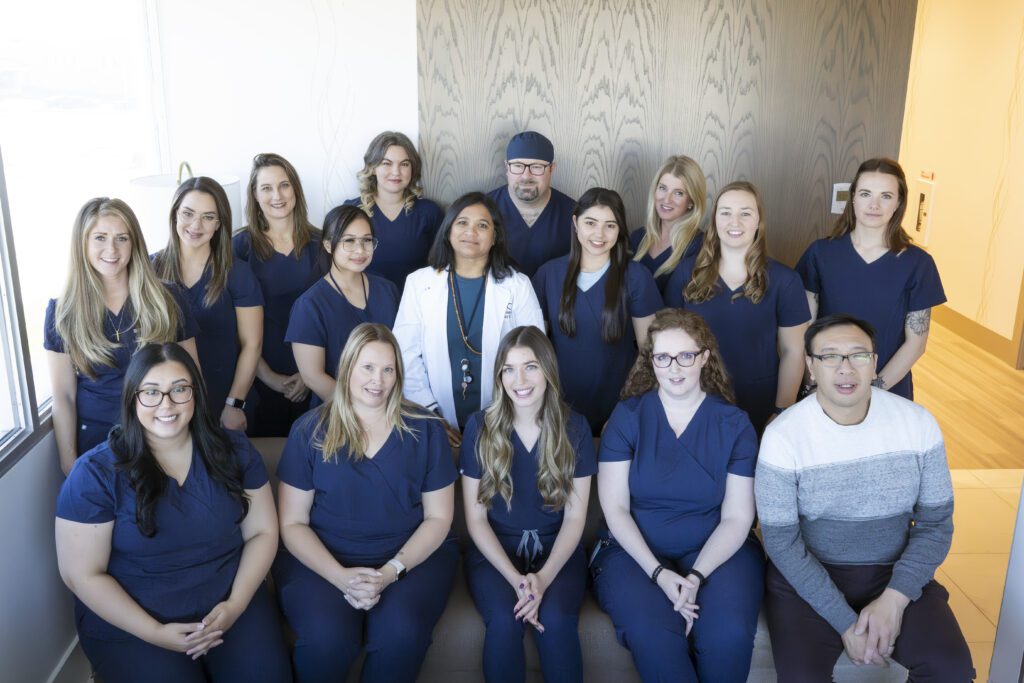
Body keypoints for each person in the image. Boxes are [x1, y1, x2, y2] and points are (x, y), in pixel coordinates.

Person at [54, 343, 291, 683]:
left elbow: (263, 532)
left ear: (196, 392)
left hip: (228, 603)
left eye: (179, 389)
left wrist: (235, 605)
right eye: (151, 392)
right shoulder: (94, 473)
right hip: (135, 622)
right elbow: (82, 574)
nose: (166, 404)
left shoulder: (234, 450)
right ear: (132, 397)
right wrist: (154, 632)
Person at [755, 314, 974, 681]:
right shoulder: (783, 436)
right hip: (809, 578)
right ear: (810, 367)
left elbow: (936, 524)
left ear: (874, 363)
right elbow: (781, 542)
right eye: (830, 357)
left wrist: (895, 597)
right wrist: (845, 623)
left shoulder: (918, 424)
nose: (845, 368)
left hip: (893, 571)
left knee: (950, 668)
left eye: (858, 355)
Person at [274, 323, 458, 683]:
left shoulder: (426, 428)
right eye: (368, 368)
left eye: (388, 369)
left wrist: (389, 573)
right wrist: (341, 578)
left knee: (401, 634)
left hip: (410, 561)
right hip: (324, 561)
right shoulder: (310, 429)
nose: (379, 380)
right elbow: (293, 523)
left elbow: (438, 518)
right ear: (347, 369)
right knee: (327, 640)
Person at [591, 308, 764, 682]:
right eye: (663, 357)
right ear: (651, 361)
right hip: (633, 553)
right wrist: (659, 575)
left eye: (686, 355)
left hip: (718, 552)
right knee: (654, 636)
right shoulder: (627, 417)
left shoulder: (734, 424)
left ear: (704, 357)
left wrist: (696, 577)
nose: (675, 367)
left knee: (728, 635)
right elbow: (615, 508)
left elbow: (737, 517)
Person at [460, 326, 596, 683]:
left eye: (530, 366)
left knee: (557, 621)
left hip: (557, 552)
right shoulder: (479, 428)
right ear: (499, 376)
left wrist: (543, 578)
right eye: (508, 369)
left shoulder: (576, 428)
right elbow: (475, 520)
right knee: (505, 622)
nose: (519, 379)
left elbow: (576, 516)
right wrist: (518, 581)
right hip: (495, 554)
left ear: (548, 370)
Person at [46, 197, 199, 475]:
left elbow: (192, 378)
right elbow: (64, 396)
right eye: (100, 238)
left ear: (134, 244)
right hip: (96, 445)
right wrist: (70, 464)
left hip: (163, 436)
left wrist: (194, 440)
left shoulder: (169, 298)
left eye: (121, 238)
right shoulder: (62, 312)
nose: (111, 249)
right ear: (83, 244)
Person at [393, 192, 544, 442]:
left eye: (482, 225)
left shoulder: (518, 285)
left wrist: (505, 415)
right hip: (434, 419)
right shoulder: (420, 283)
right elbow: (405, 354)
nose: (471, 232)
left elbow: (534, 356)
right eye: (462, 222)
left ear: (495, 237)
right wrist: (431, 415)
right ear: (448, 230)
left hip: (505, 418)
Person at [664, 181, 809, 433]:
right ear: (715, 220)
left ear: (758, 221)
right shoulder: (687, 272)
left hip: (759, 404)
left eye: (745, 213)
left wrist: (782, 411)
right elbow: (665, 344)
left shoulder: (785, 280)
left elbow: (793, 351)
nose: (735, 222)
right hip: (694, 400)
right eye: (726, 212)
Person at [796, 157, 945, 400]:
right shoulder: (820, 253)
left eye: (886, 196)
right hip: (824, 386)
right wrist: (813, 381)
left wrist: (873, 390)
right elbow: (805, 330)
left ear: (898, 202)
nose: (874, 205)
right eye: (866, 194)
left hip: (887, 388)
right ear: (853, 197)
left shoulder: (918, 264)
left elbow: (916, 344)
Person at [532, 187, 662, 435]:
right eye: (590, 223)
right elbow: (533, 351)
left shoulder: (636, 277)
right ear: (575, 223)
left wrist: (629, 408)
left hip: (618, 409)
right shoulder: (549, 274)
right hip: (558, 408)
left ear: (619, 230)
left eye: (610, 225)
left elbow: (650, 354)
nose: (599, 234)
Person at [154, 177, 263, 431]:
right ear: (174, 216)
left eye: (208, 217)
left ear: (219, 224)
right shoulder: (149, 270)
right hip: (169, 407)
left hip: (225, 401)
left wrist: (234, 404)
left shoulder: (237, 273)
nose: (196, 225)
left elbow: (252, 344)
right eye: (188, 214)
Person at [233, 153, 328, 437]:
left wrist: (311, 376)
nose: (277, 195)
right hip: (259, 378)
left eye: (284, 185)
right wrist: (269, 377)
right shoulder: (240, 247)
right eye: (267, 187)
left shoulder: (323, 244)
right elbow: (231, 325)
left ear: (295, 190)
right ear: (255, 195)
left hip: (319, 376)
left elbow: (334, 316)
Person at [286, 204, 400, 407]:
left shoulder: (388, 290)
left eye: (366, 240)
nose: (360, 250)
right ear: (329, 245)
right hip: (338, 411)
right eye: (349, 241)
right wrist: (358, 411)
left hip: (390, 406)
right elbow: (313, 376)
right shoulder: (309, 305)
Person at [342, 131, 444, 291]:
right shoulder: (351, 211)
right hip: (366, 305)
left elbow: (442, 266)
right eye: (386, 163)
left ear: (413, 168)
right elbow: (341, 268)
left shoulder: (429, 212)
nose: (396, 172)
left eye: (404, 164)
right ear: (373, 167)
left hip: (416, 305)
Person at [486, 131, 576, 277]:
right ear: (507, 167)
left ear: (552, 169)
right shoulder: (484, 209)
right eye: (517, 166)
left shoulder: (573, 214)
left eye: (536, 167)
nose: (526, 176)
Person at [630, 155, 708, 293]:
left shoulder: (699, 246)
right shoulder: (637, 237)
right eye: (662, 188)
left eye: (678, 193)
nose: (666, 199)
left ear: (691, 201)